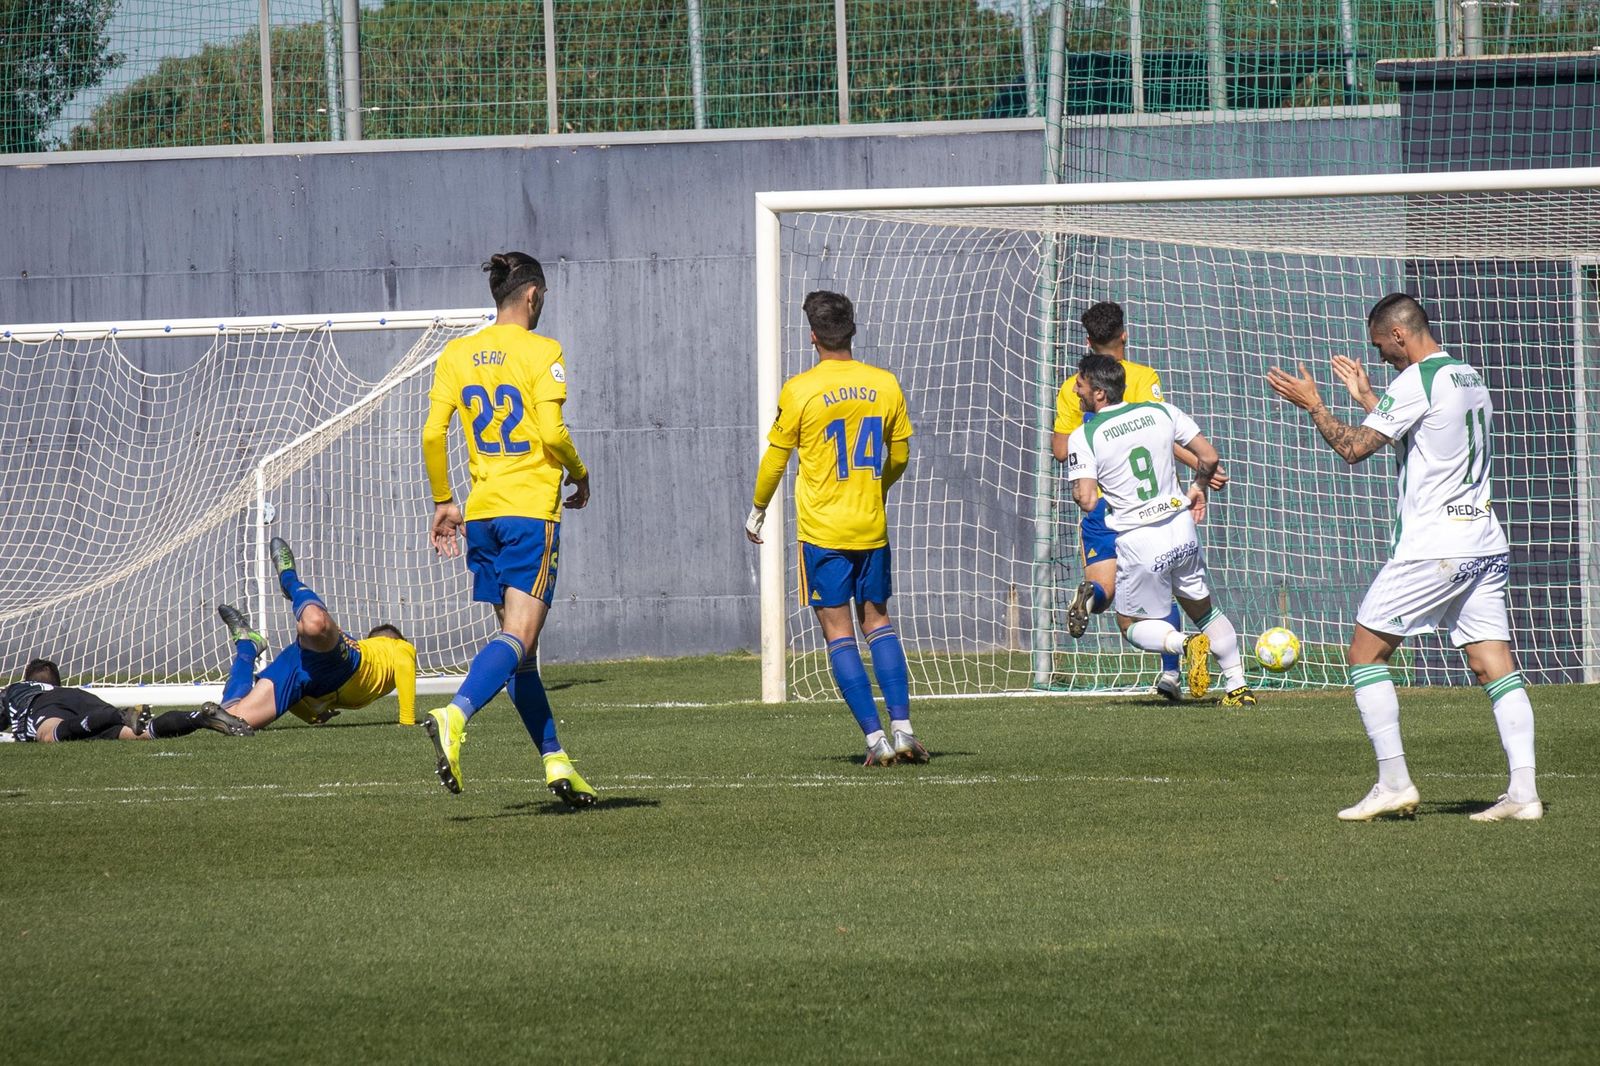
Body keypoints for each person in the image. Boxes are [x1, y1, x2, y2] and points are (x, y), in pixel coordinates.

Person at [1267, 292, 1539, 823]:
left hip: (1434, 547)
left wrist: (1314, 405)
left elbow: (1353, 449)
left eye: (1381, 347)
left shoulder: (1415, 380)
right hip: (1482, 540)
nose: (1382, 357)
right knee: (1493, 667)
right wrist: (1372, 399)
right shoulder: (1467, 376)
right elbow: (1425, 442)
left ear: (1398, 333)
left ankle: (1393, 782)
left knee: (1365, 655)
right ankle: (1524, 794)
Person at [419, 251, 596, 806]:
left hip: (483, 513)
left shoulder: (457, 352)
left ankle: (556, 761)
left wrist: (444, 499)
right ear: (532, 296)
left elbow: (431, 435)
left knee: (516, 650)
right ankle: (455, 713)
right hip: (528, 513)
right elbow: (551, 429)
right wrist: (580, 470)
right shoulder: (543, 351)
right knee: (519, 637)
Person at [745, 290, 927, 766]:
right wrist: (878, 488)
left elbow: (776, 461)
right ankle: (904, 730)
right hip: (871, 527)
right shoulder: (884, 383)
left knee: (839, 633)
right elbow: (903, 455)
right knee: (879, 623)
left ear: (812, 337)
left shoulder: (800, 389)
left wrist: (758, 508)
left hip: (824, 533)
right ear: (852, 330)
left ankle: (874, 740)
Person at [1051, 301, 1228, 700]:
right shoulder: (1143, 376)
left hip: (1101, 502)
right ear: (1124, 335)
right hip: (1148, 506)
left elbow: (1061, 451)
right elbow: (1161, 435)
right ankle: (1171, 673)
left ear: (1087, 340)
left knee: (1109, 593)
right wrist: (1203, 463)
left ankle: (1091, 598)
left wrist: (1088, 434)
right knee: (1163, 586)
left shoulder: (1071, 387)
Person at [213, 537, 417, 732]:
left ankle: (247, 646)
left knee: (231, 720)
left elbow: (297, 699)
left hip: (303, 675)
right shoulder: (398, 648)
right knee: (315, 624)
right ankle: (289, 579)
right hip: (343, 662)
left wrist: (312, 716)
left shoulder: (370, 678)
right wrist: (407, 721)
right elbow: (404, 663)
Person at [1, 658, 253, 742]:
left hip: (45, 705)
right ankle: (198, 718)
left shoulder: (17, 690)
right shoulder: (68, 691)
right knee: (139, 732)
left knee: (49, 735)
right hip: (85, 700)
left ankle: (118, 715)